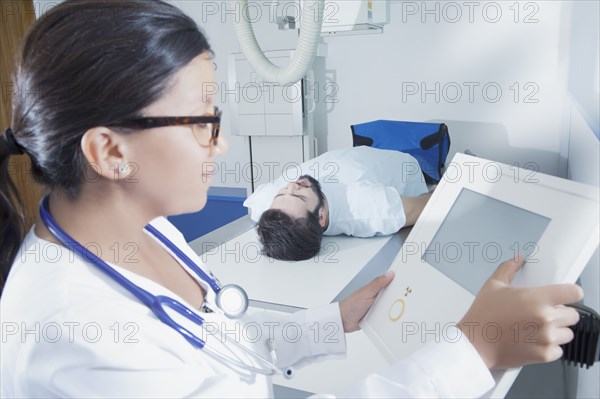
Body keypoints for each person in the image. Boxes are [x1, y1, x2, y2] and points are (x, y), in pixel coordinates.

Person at [0, 1, 583, 397]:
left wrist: (330, 323)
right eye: (202, 122)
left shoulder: (147, 231)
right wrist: (473, 350)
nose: (222, 143)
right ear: (108, 151)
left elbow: (224, 345)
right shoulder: (76, 331)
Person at [245, 146, 433, 260]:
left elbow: (253, 207)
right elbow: (430, 205)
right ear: (321, 217)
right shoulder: (367, 208)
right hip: (406, 167)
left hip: (356, 154)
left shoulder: (267, 204)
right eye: (300, 196)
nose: (292, 185)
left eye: (283, 193)